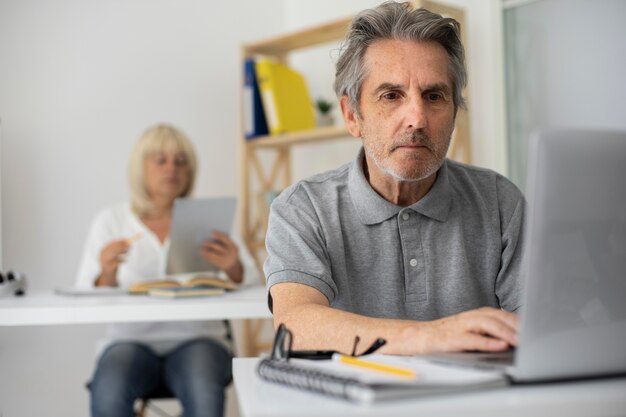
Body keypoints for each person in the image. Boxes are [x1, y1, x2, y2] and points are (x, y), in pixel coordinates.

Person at [265, 2, 525, 356]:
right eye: (391, 96)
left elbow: (536, 327)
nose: (417, 118)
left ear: (454, 112)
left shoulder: (500, 201)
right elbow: (294, 325)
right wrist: (430, 337)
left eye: (434, 96)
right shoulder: (302, 208)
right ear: (351, 115)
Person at [76, 124, 256, 417]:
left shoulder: (208, 219)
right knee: (108, 391)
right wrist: (105, 273)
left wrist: (233, 266)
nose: (171, 169)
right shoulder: (111, 221)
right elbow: (85, 292)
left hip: (200, 339)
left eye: (180, 161)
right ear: (140, 167)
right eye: (160, 160)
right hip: (129, 341)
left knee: (204, 393)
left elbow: (252, 282)